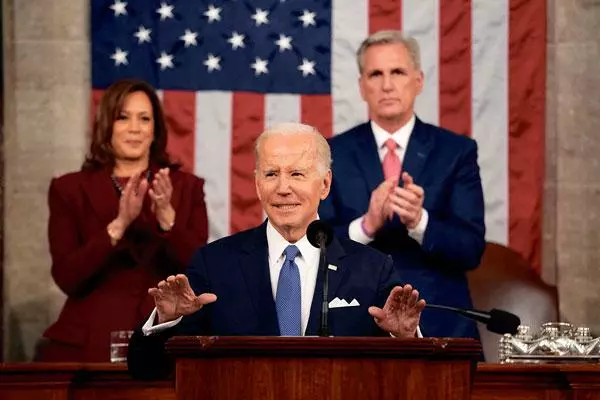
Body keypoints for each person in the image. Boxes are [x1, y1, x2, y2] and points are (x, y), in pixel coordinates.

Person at [127, 123, 425, 380]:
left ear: (324, 184)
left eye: (297, 174)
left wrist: (405, 339)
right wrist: (166, 320)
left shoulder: (372, 270)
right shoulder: (215, 265)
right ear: (257, 185)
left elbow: (411, 379)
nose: (283, 188)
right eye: (271, 174)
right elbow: (146, 369)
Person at [318, 30, 485, 339]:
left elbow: (471, 250)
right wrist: (366, 226)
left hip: (438, 321)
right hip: (354, 321)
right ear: (361, 86)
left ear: (418, 80)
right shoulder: (331, 153)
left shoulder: (456, 151)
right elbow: (312, 245)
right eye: (375, 74)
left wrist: (419, 221)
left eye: (397, 72)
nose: (387, 85)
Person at [36, 79, 209, 362]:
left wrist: (168, 219)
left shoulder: (186, 187)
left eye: (144, 119)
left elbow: (199, 270)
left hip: (164, 341)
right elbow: (67, 277)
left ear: (156, 129)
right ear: (107, 125)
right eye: (123, 118)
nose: (134, 128)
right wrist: (117, 226)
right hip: (90, 342)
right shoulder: (69, 189)